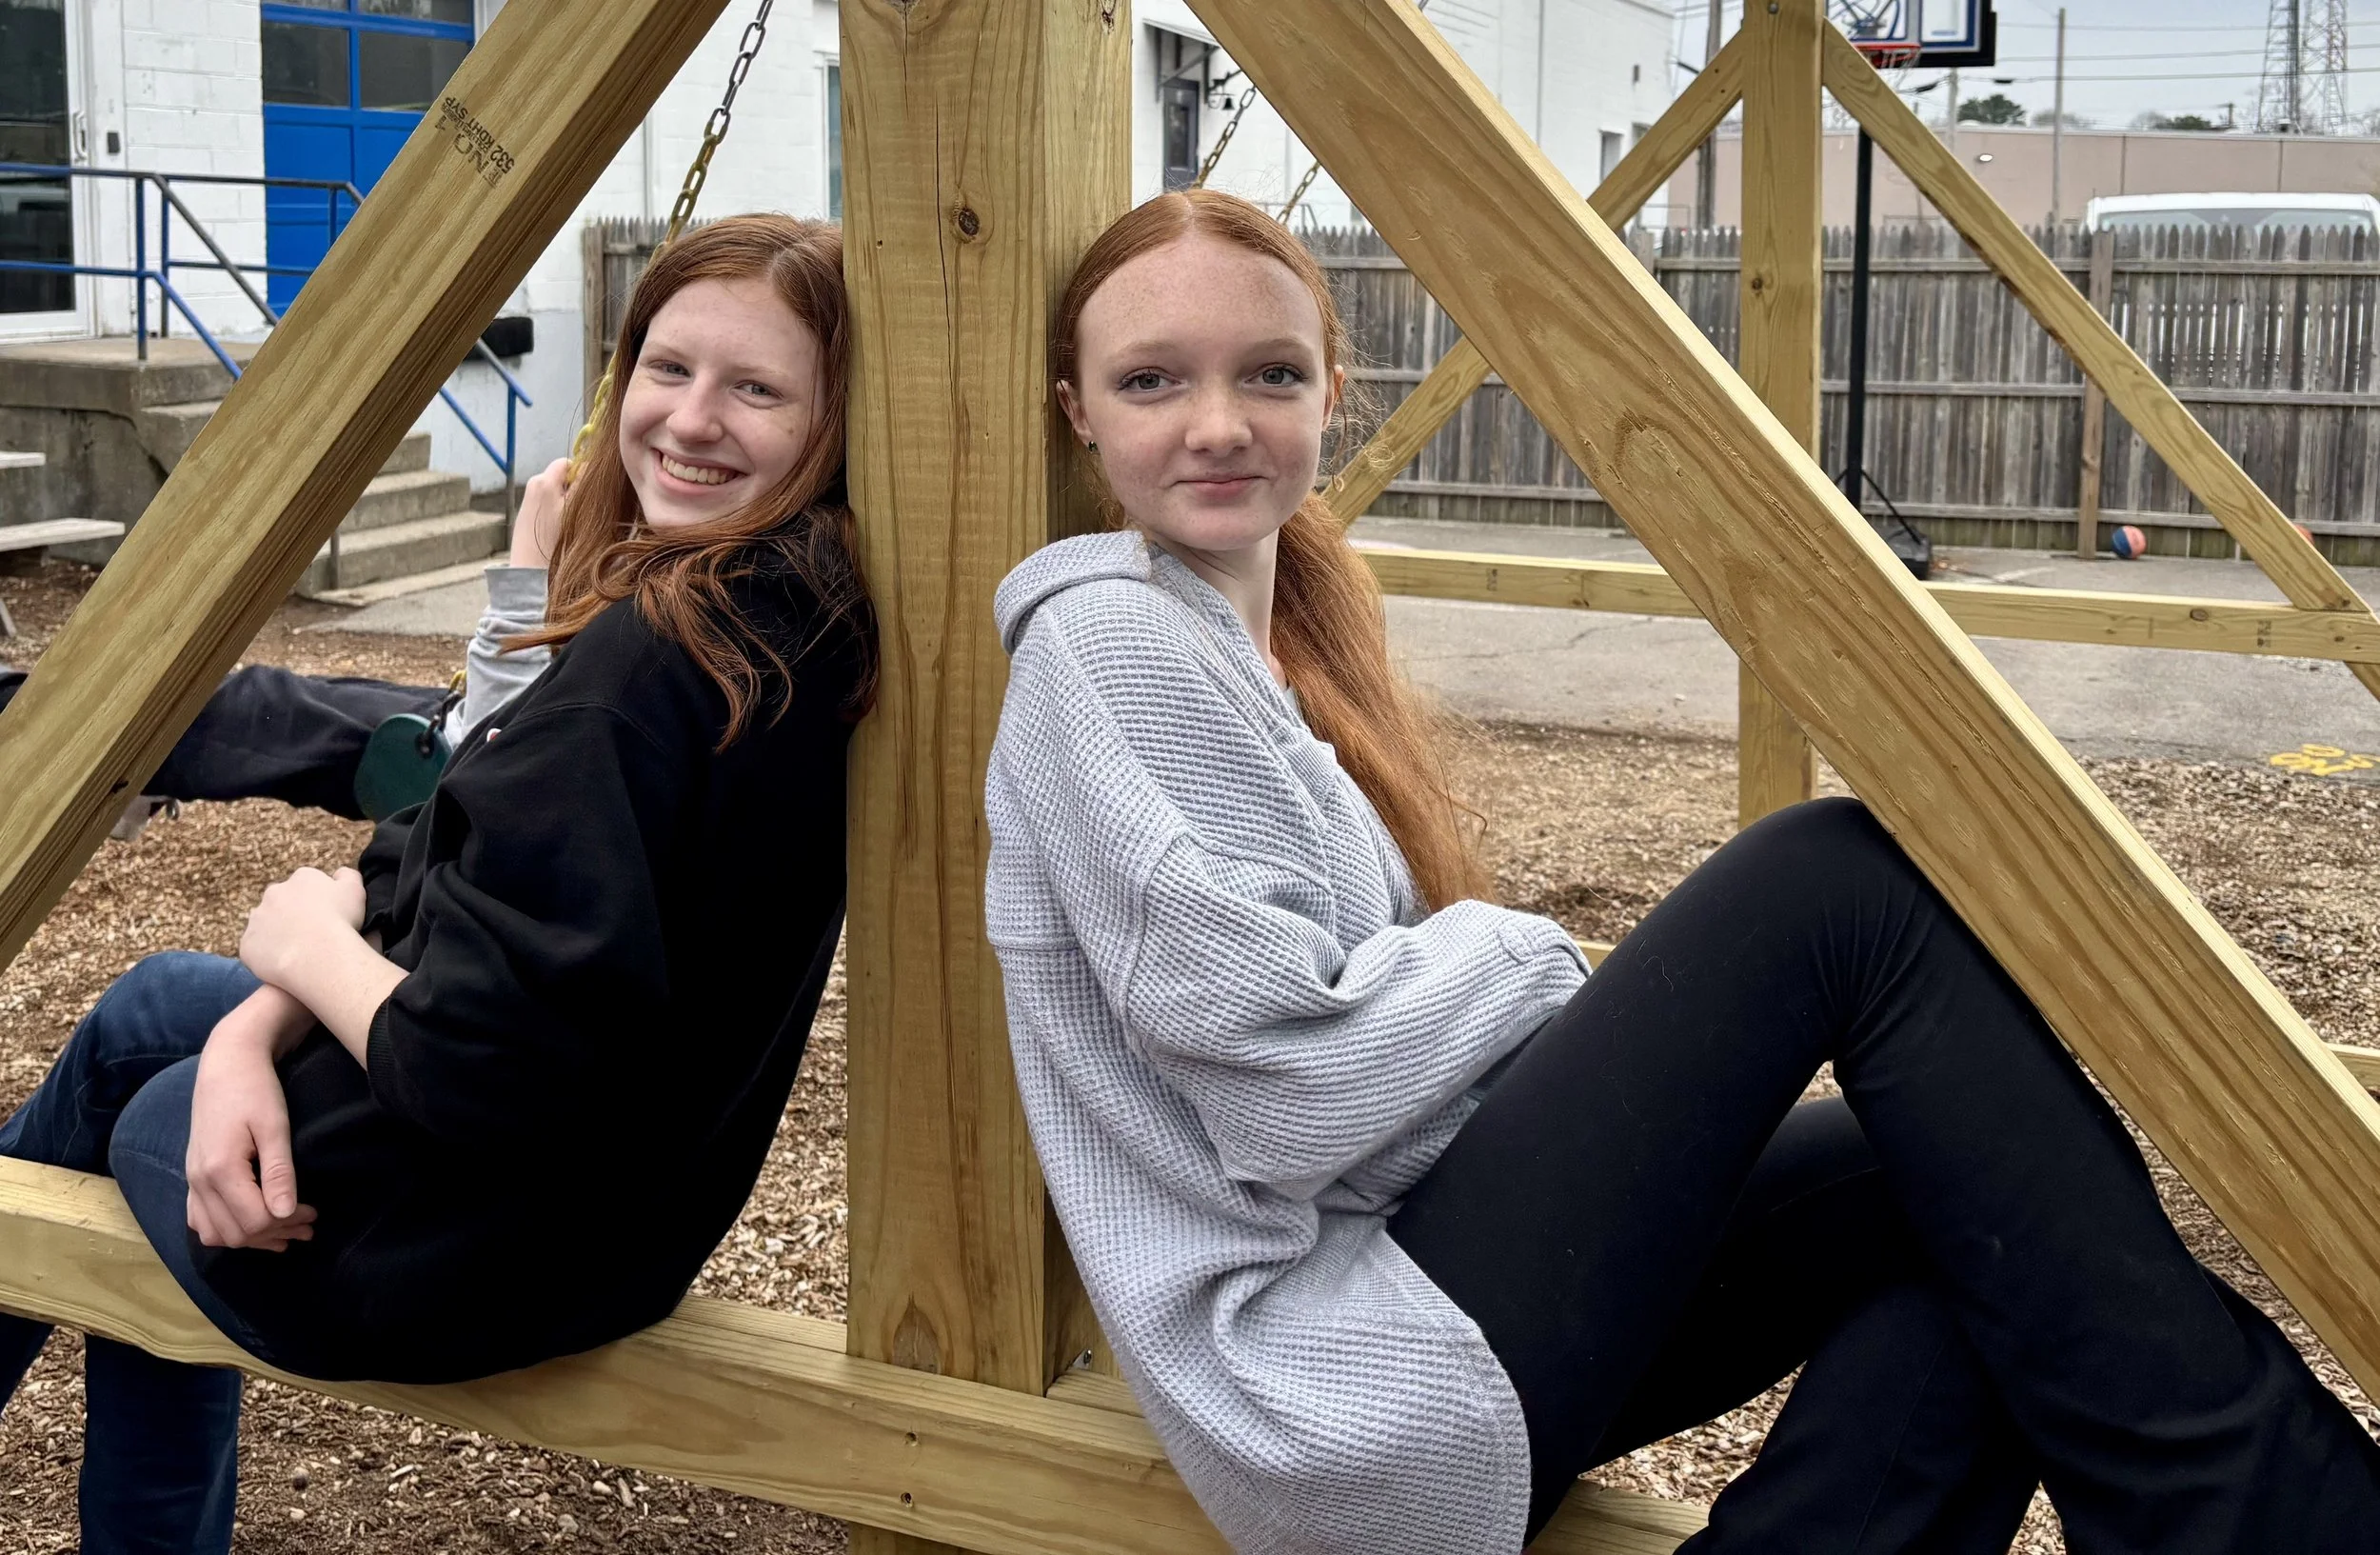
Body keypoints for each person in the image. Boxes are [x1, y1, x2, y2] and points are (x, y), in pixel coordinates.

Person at [983, 188, 2380, 1555]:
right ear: (1078, 411)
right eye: (1153, 379)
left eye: (1269, 373)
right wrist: (1519, 954)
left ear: (1331, 392)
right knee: (1832, 885)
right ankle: (2263, 1507)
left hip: (1397, 1322)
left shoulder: (1254, 647)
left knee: (1969, 1203)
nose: (1219, 423)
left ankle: (2232, 1500)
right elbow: (1295, 1095)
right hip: (1323, 1382)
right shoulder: (1112, 648)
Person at [0, 213, 874, 1555]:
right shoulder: (799, 621)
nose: (690, 422)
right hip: (625, 1221)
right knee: (168, 1005)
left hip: (438, 1253)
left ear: (833, 422)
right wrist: (252, 1022)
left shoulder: (642, 672)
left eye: (756, 389)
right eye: (667, 368)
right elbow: (461, 856)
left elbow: (483, 1061)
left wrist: (298, 944)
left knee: (140, 1100)